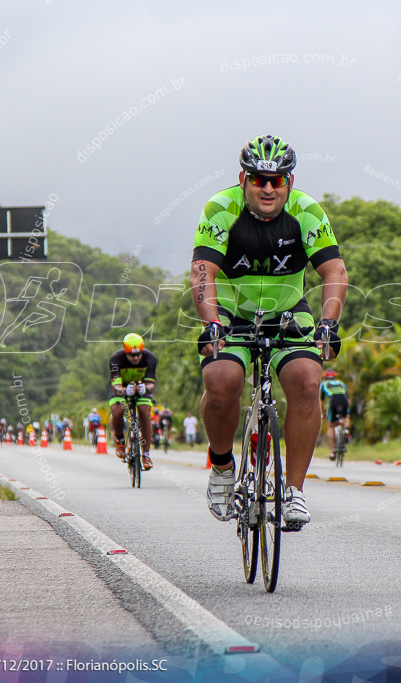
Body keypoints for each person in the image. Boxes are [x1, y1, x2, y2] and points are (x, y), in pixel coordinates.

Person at [191, 134, 347, 530]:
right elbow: (202, 274)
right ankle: (224, 467)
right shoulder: (220, 209)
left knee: (308, 381)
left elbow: (334, 272)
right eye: (258, 179)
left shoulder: (307, 211)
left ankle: (293, 490)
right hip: (231, 311)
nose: (267, 188)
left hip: (288, 310)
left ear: (289, 183)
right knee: (221, 379)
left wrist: (328, 323)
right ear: (242, 179)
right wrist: (211, 321)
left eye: (276, 180)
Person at [109, 332, 157, 470]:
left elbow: (151, 384)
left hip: (141, 388)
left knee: (144, 411)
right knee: (117, 411)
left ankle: (146, 454)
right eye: (132, 355)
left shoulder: (150, 358)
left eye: (138, 354)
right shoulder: (116, 359)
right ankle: (120, 440)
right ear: (125, 352)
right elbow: (115, 386)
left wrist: (145, 388)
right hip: (121, 388)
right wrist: (124, 391)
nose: (136, 358)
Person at [319, 369, 350, 459]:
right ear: (335, 377)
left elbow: (322, 401)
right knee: (346, 416)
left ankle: (333, 450)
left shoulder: (324, 385)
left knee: (331, 426)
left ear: (325, 378)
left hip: (333, 400)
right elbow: (348, 399)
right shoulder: (341, 383)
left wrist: (323, 413)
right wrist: (348, 411)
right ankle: (346, 430)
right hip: (344, 400)